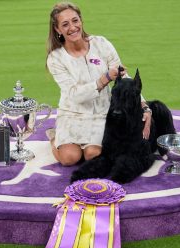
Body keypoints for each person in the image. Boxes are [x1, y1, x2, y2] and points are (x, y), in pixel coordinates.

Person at [46, 2, 152, 166]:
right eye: (65, 24)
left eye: (75, 21)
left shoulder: (101, 43)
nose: (72, 27)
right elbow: (75, 95)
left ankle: (82, 145)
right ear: (58, 29)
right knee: (69, 158)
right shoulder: (55, 58)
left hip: (103, 114)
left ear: (81, 20)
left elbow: (124, 78)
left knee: (93, 155)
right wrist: (105, 78)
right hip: (72, 115)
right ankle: (54, 138)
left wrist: (144, 106)